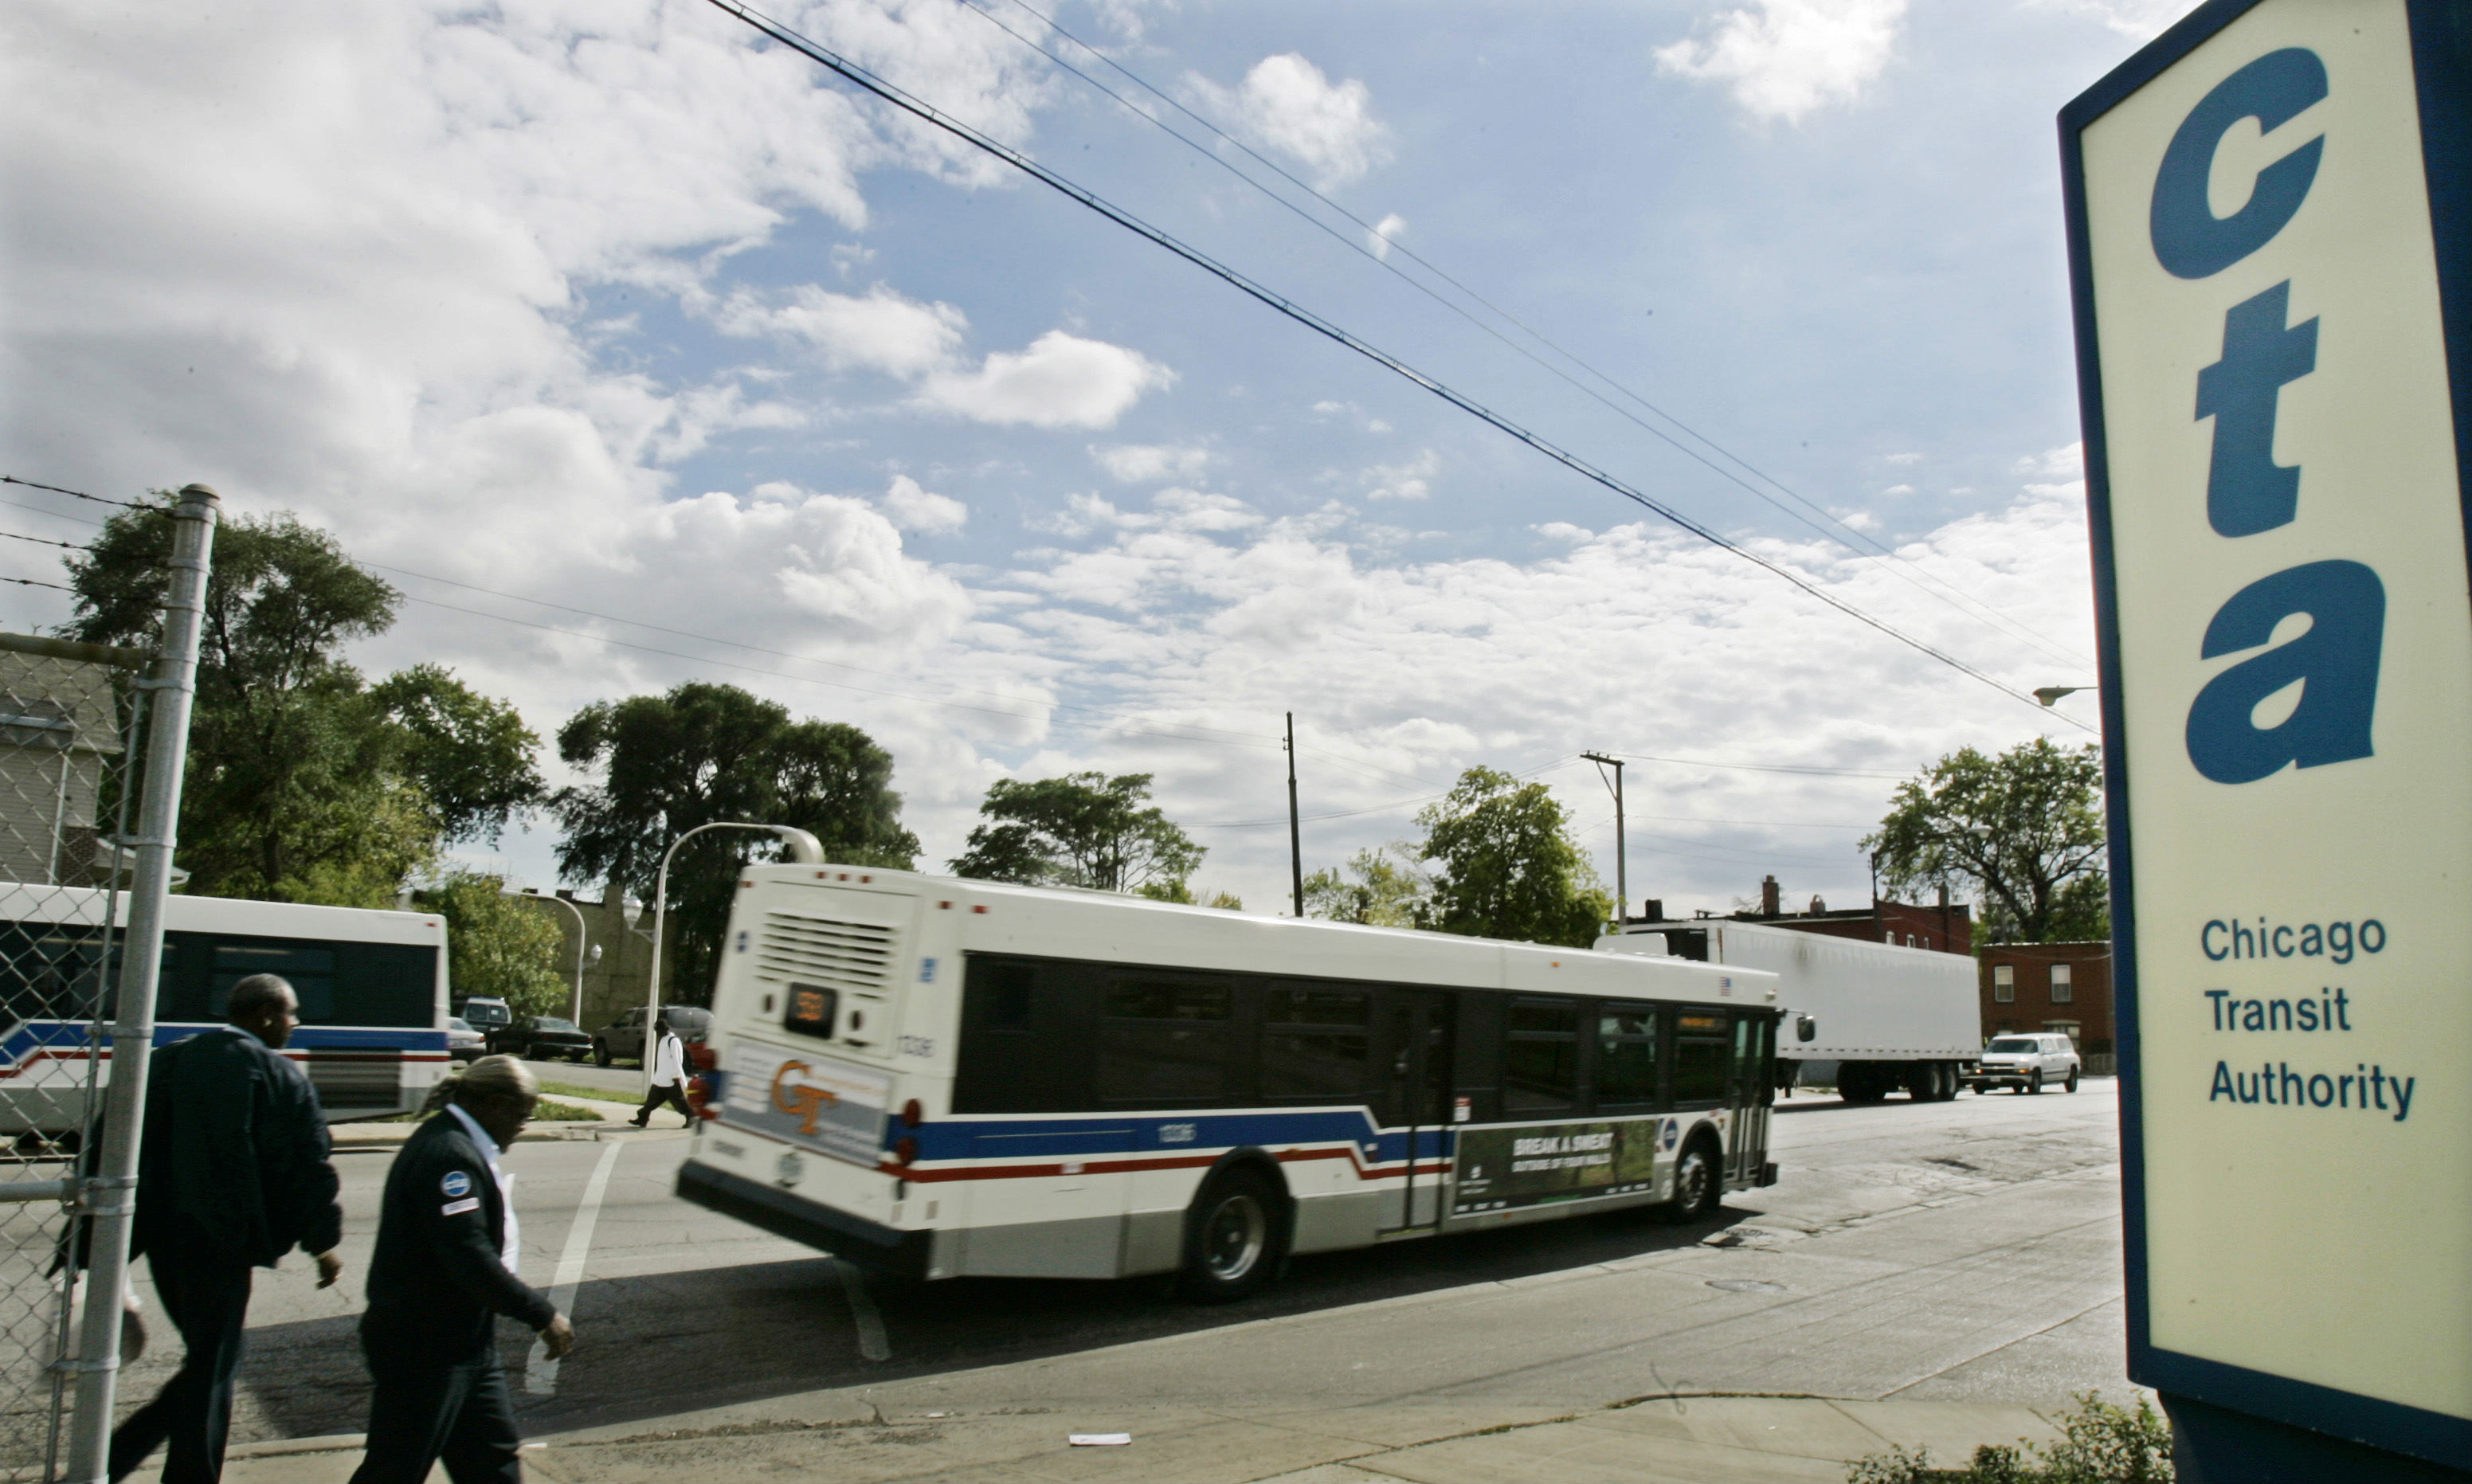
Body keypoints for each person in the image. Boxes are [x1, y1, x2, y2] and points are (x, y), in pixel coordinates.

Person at [109, 975, 344, 1484]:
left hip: (164, 1240)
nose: (296, 1023)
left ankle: (128, 1457)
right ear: (264, 1015)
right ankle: (135, 1460)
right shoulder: (279, 1075)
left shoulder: (171, 1060)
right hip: (224, 1245)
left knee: (212, 1359)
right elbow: (306, 1166)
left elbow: (124, 1134)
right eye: (291, 1013)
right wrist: (322, 1242)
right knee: (214, 1364)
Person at [351, 1055, 573, 1484]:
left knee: (494, 1466)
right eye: (522, 1114)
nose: (525, 1124)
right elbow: (468, 1256)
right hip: (424, 1346)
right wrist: (541, 1314)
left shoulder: (463, 1146)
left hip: (464, 1343)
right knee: (394, 1470)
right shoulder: (448, 1156)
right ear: (494, 1104)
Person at [630, 1016, 693, 1129]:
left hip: (671, 1080)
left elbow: (678, 1061)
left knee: (679, 1102)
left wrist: (678, 1077)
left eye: (659, 1030)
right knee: (651, 1101)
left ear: (665, 1029)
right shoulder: (662, 1039)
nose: (658, 1033)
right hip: (660, 1079)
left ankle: (691, 1117)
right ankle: (642, 1119)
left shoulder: (673, 1041)